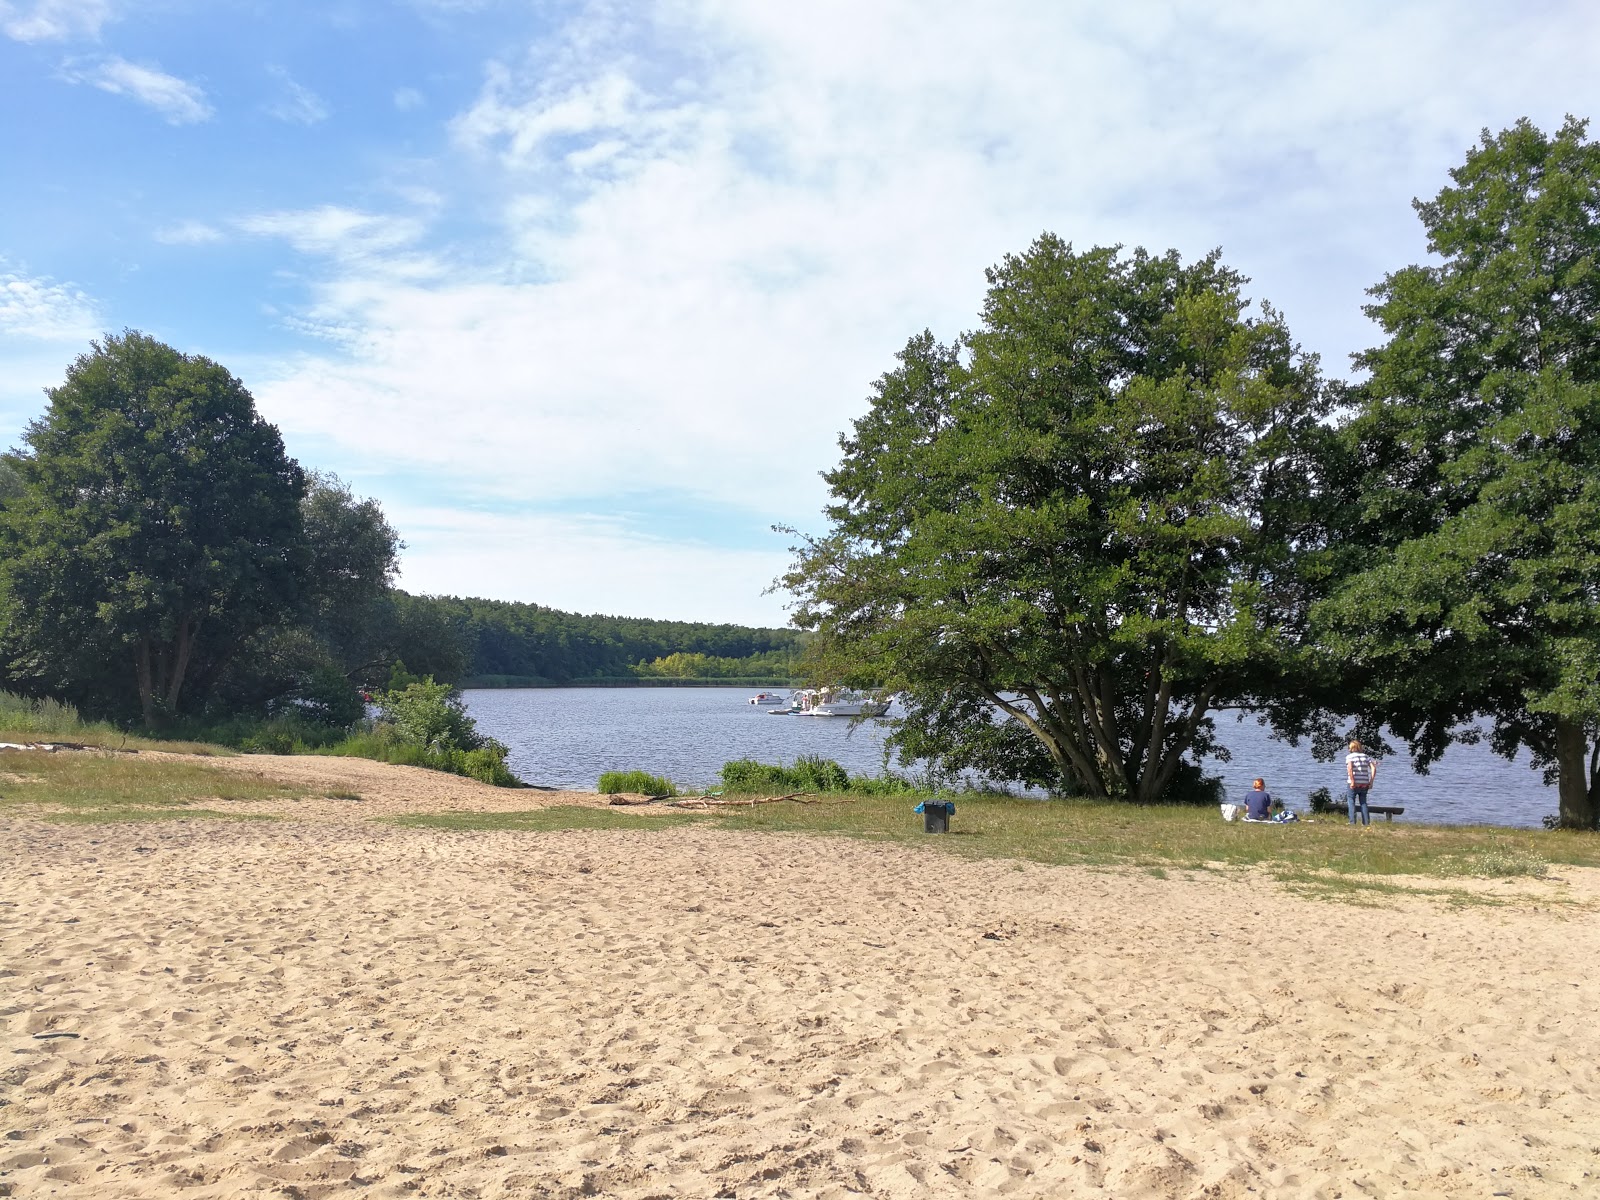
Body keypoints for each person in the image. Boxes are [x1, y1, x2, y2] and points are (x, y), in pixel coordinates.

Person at [1345, 739, 1378, 826]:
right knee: (1363, 802)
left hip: (1354, 783)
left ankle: (1352, 822)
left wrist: (1352, 781)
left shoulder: (1350, 757)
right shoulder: (1366, 757)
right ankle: (1366, 823)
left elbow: (1350, 769)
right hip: (1364, 783)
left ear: (1351, 748)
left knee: (1351, 801)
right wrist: (1371, 781)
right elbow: (1373, 768)